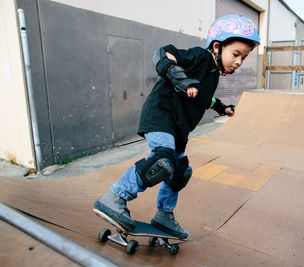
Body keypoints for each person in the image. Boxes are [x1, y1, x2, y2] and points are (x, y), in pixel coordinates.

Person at [93, 14, 260, 239]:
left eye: (244, 58)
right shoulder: (200, 57)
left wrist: (221, 107)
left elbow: (204, 98)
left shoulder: (213, 75)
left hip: (179, 129)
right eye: (236, 54)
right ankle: (115, 197)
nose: (239, 62)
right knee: (163, 161)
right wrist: (177, 75)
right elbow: (164, 53)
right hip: (162, 115)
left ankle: (164, 216)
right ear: (218, 46)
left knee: (180, 172)